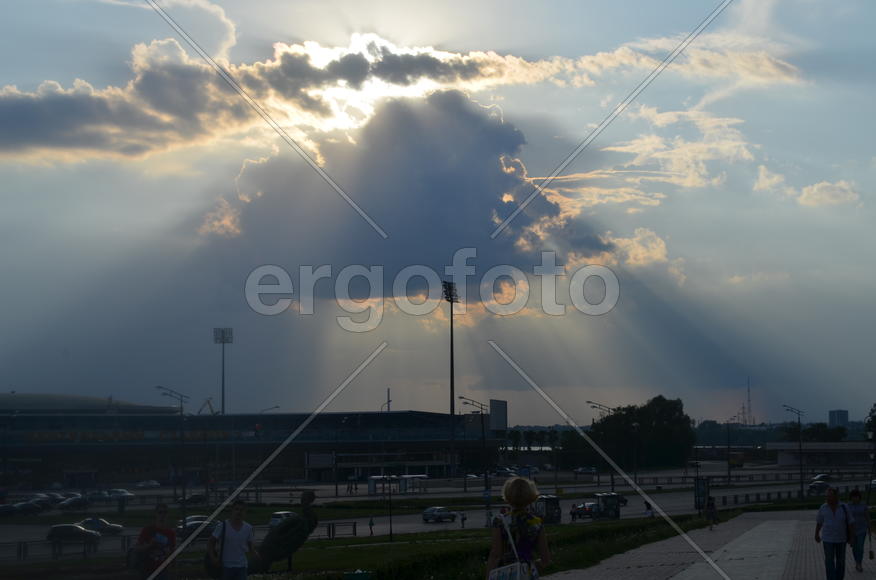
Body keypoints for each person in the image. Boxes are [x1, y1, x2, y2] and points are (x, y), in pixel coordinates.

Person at [486, 477, 551, 579]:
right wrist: (530, 565)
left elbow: (495, 554)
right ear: (530, 496)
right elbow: (546, 560)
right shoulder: (536, 522)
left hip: (505, 574)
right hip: (528, 574)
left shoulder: (500, 521)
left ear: (507, 495)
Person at [209, 499, 259, 580]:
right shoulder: (223, 526)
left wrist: (256, 555)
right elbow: (211, 542)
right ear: (232, 511)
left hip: (242, 567)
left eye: (242, 510)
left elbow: (251, 547)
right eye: (236, 509)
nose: (239, 512)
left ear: (245, 512)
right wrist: (213, 558)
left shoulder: (248, 528)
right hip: (225, 567)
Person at [815, 487, 853, 580]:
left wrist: (852, 537)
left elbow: (850, 523)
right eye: (827, 496)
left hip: (841, 538)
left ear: (836, 496)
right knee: (829, 561)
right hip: (828, 539)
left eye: (830, 496)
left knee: (840, 561)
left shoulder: (844, 507)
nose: (828, 498)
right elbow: (819, 522)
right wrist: (816, 534)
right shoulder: (823, 507)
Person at [135, 503, 176, 580]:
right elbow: (137, 548)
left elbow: (172, 551)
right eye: (160, 512)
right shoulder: (148, 530)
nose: (162, 515)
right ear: (156, 514)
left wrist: (169, 553)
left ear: (167, 514)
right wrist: (150, 544)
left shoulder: (170, 533)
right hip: (147, 568)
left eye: (165, 512)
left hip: (162, 570)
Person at [847, 489, 871, 573]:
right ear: (851, 497)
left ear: (859, 497)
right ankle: (857, 561)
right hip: (852, 530)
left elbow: (867, 516)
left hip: (862, 529)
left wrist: (869, 527)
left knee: (860, 547)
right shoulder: (848, 506)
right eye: (853, 497)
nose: (855, 498)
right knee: (854, 548)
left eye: (856, 496)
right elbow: (846, 518)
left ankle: (859, 563)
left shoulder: (863, 505)